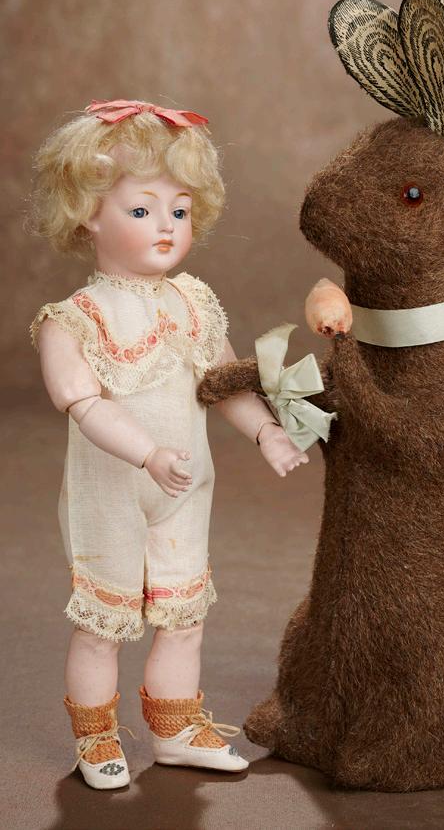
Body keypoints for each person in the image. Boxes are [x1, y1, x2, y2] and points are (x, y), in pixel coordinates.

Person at [29, 99, 308, 789]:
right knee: (105, 623)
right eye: (141, 209)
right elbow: (83, 403)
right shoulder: (74, 319)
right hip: (111, 494)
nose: (165, 227)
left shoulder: (193, 303)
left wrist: (266, 430)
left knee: (184, 616)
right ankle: (96, 738)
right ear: (89, 214)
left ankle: (176, 728)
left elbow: (222, 382)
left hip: (185, 488)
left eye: (179, 211)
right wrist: (146, 453)